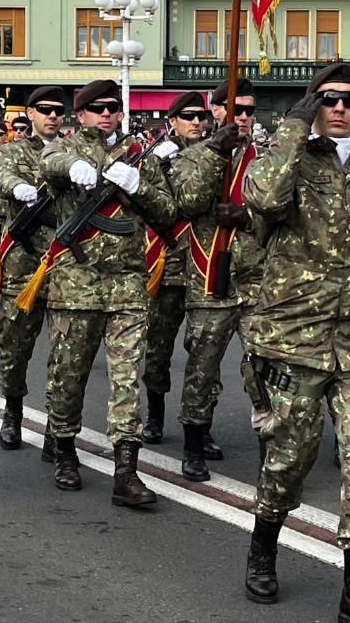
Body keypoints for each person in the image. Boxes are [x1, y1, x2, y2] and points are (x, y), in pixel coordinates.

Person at [241, 64, 350, 622]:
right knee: (291, 460)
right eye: (329, 98)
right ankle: (264, 543)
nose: (341, 108)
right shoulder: (289, 159)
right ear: (313, 102)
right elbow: (263, 198)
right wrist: (291, 126)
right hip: (295, 337)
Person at [36, 79, 176, 505]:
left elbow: (167, 213)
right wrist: (72, 169)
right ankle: (62, 447)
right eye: (96, 107)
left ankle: (126, 472)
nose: (106, 113)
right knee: (68, 378)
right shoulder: (63, 147)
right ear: (80, 114)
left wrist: (139, 186)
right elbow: (50, 164)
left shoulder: (138, 155)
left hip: (128, 285)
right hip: (75, 286)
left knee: (125, 381)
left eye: (113, 106)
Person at [170, 79, 264, 480]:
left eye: (249, 110)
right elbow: (188, 203)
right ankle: (194, 442)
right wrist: (214, 155)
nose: (243, 116)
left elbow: (285, 210)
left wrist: (246, 216)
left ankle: (272, 448)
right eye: (235, 109)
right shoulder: (192, 156)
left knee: (264, 367)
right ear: (216, 111)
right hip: (211, 277)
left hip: (258, 280)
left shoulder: (263, 157)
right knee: (203, 368)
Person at [0, 86, 67, 454]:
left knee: (65, 352)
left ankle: (57, 425)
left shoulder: (74, 153)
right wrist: (18, 187)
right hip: (22, 264)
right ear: (30, 114)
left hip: (66, 264)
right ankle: (13, 409)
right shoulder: (11, 151)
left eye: (58, 110)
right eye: (44, 110)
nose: (52, 116)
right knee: (14, 348)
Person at [138, 91, 206, 448]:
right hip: (167, 267)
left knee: (203, 356)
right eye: (189, 115)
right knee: (158, 349)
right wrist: (156, 165)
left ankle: (201, 425)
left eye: (201, 116)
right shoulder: (155, 158)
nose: (197, 121)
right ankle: (155, 414)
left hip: (204, 268)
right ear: (173, 120)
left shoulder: (214, 154)